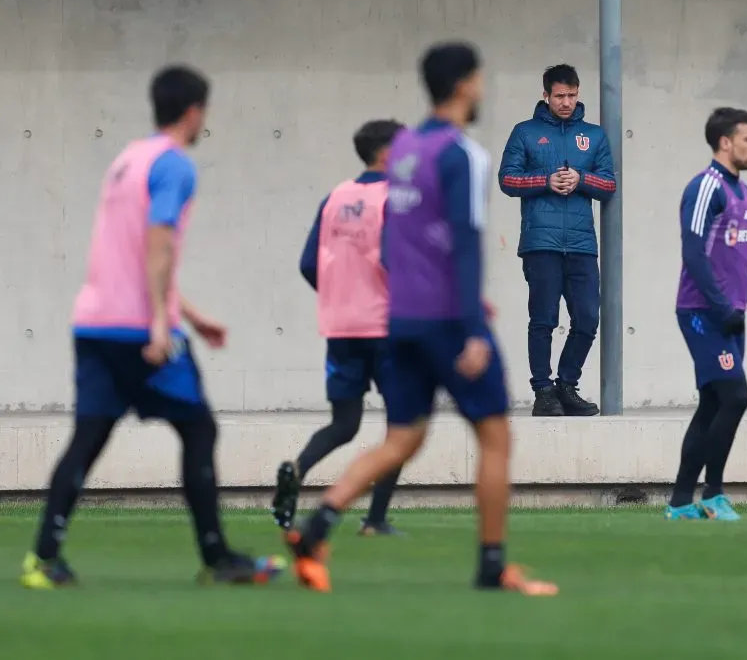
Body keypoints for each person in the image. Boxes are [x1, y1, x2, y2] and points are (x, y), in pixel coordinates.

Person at [282, 42, 558, 597]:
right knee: (496, 437)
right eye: (479, 79)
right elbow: (465, 241)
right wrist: (475, 326)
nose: (482, 89)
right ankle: (491, 565)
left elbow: (398, 241)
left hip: (402, 318)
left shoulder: (405, 149)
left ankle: (316, 527)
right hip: (447, 321)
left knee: (402, 437)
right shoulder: (463, 154)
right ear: (462, 84)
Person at [21, 65, 284, 589]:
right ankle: (218, 559)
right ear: (193, 112)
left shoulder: (126, 160)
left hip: (93, 323)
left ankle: (43, 560)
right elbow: (157, 245)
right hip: (135, 329)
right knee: (199, 427)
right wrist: (164, 325)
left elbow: (133, 253)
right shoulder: (175, 165)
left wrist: (189, 313)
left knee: (89, 436)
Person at [271, 119, 406, 537]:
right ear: (386, 153)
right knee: (402, 426)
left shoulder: (335, 198)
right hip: (386, 327)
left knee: (344, 424)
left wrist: (338, 297)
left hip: (341, 327)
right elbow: (395, 259)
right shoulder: (396, 197)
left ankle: (298, 467)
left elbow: (308, 263)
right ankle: (375, 520)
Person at [665, 108, 747, 523]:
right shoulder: (705, 188)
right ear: (725, 142)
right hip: (700, 312)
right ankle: (713, 493)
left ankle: (678, 503)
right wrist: (721, 307)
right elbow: (693, 254)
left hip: (731, 314)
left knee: (713, 403)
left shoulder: (743, 194)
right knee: (735, 395)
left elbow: (735, 259)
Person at [497, 64, 617, 417]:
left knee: (587, 318)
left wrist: (580, 179)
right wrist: (545, 181)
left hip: (581, 244)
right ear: (545, 95)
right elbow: (507, 179)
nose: (566, 102)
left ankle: (566, 385)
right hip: (541, 242)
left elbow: (609, 185)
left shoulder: (594, 136)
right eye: (560, 95)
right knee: (543, 319)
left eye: (572, 95)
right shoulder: (525, 132)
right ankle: (543, 391)